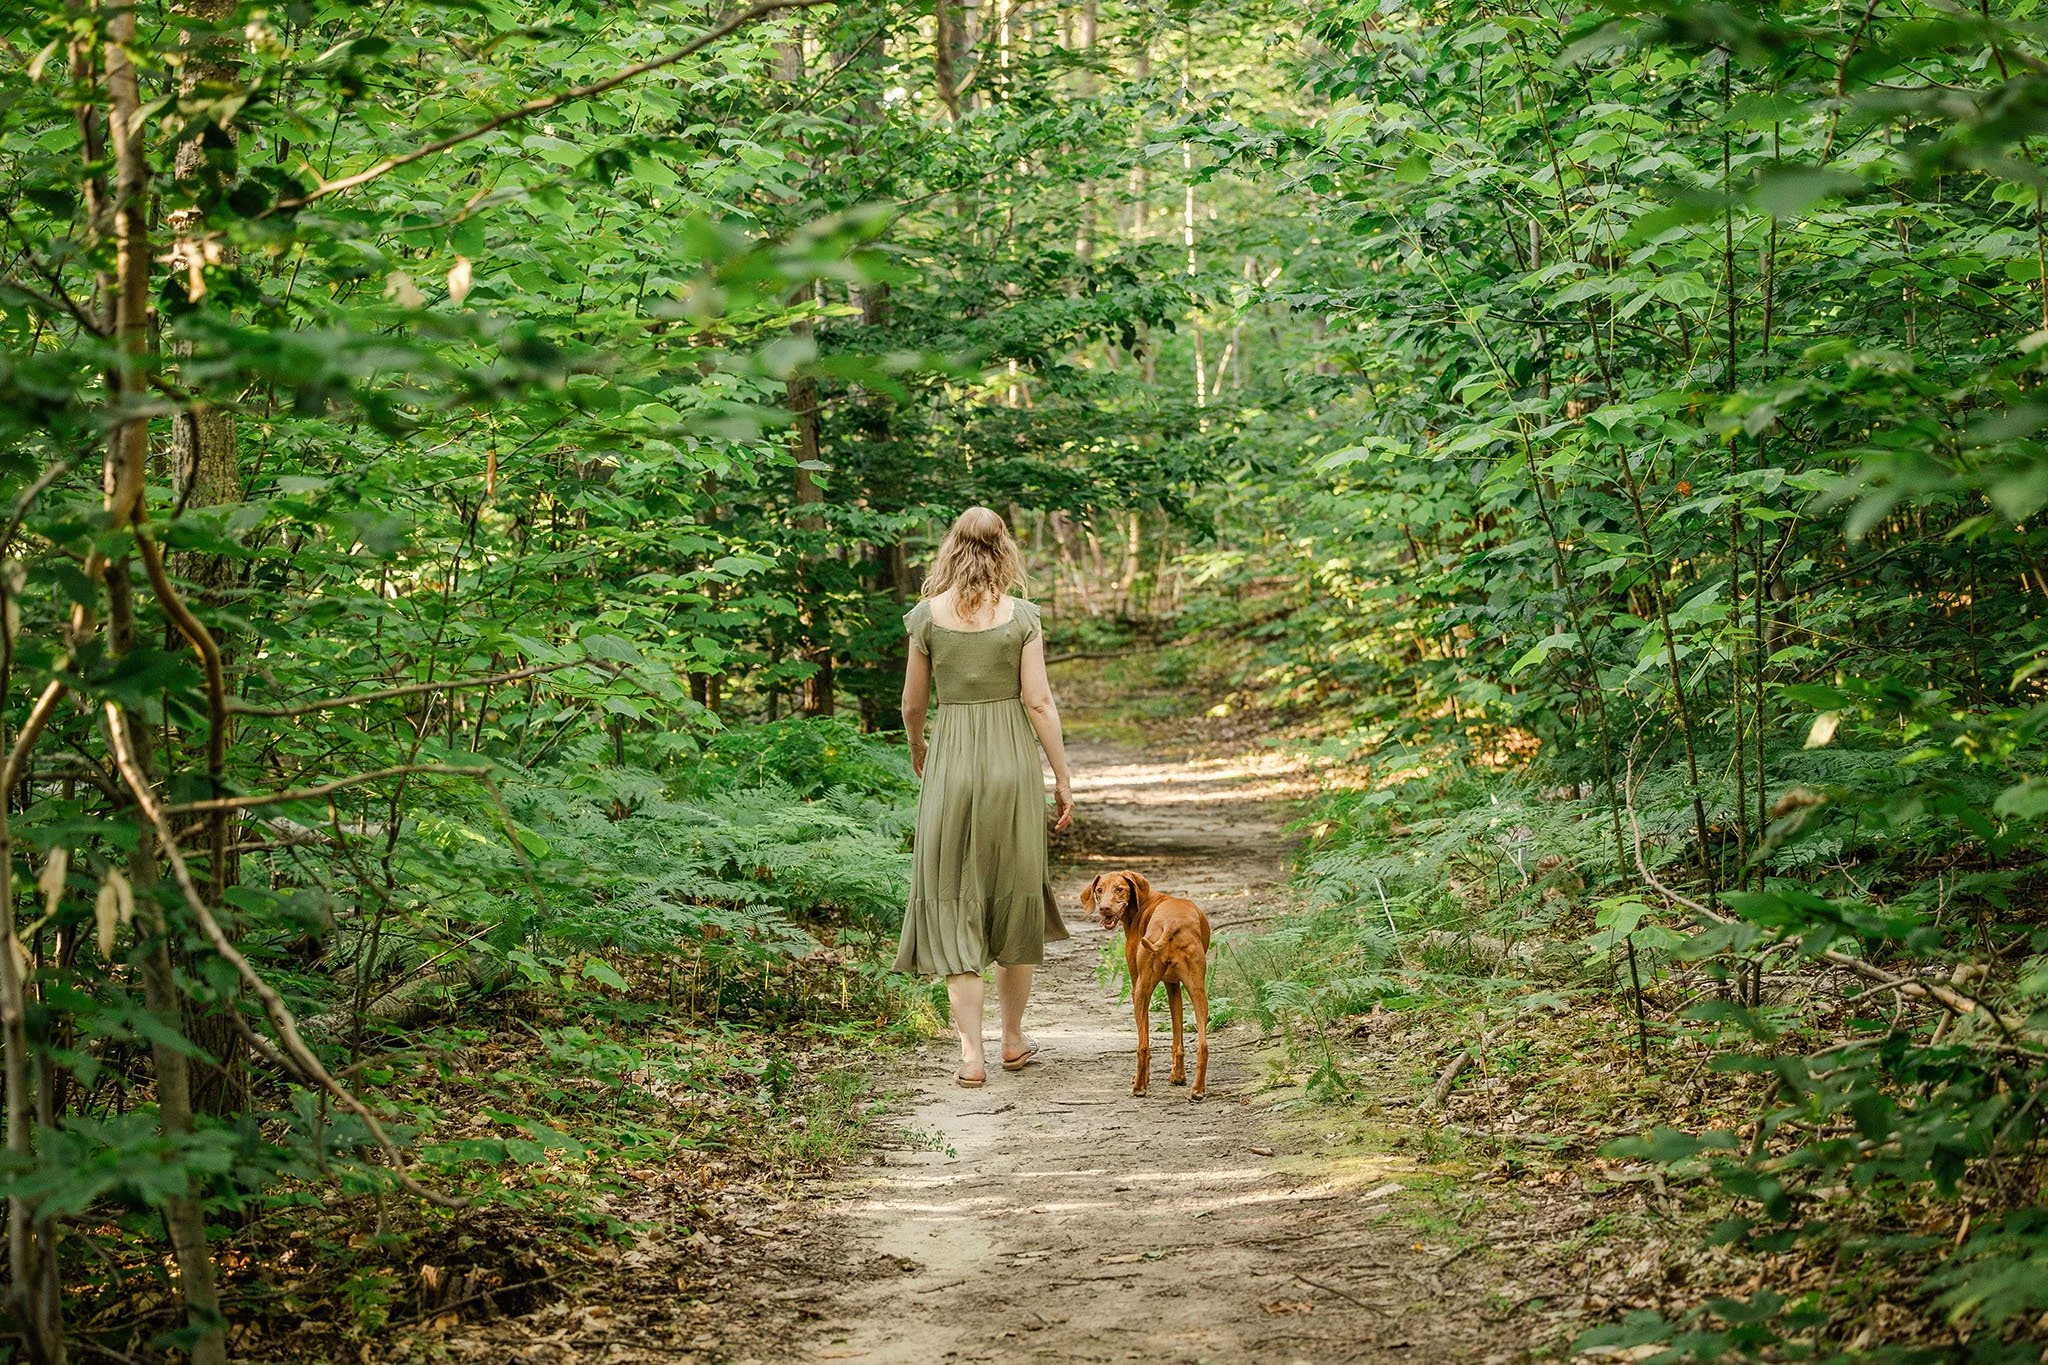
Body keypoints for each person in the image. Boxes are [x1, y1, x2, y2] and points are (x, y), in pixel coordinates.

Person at [894, 507, 1076, 1087]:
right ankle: (1014, 1039)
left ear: (951, 548)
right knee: (1012, 893)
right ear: (1005, 551)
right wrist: (1062, 776)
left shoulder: (926, 617)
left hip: (952, 764)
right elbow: (1039, 702)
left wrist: (919, 747)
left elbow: (912, 705)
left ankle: (971, 1053)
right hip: (1011, 768)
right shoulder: (1021, 616)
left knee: (954, 898)